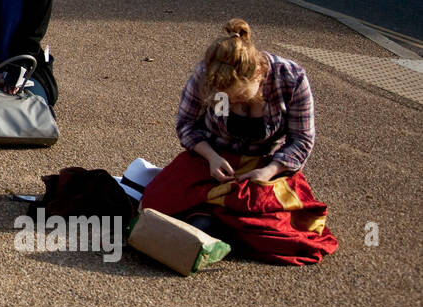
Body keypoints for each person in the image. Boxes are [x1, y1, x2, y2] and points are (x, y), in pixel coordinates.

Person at [140, 19, 338, 265]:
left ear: (258, 74)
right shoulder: (205, 74)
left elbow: (302, 139)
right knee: (155, 202)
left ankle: (217, 223)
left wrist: (268, 171)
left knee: (281, 236)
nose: (232, 104)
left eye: (240, 97)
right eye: (226, 100)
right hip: (211, 159)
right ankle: (219, 223)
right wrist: (211, 156)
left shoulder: (291, 78)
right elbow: (186, 125)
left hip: (266, 166)